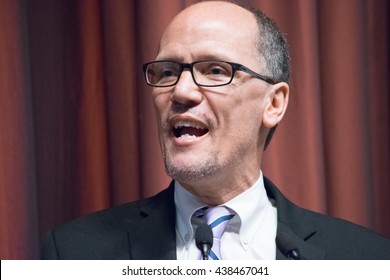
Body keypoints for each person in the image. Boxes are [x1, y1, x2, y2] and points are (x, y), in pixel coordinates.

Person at [42, 0, 390, 260]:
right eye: (167, 71)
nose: (181, 91)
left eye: (215, 70)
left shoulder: (365, 257)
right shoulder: (74, 252)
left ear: (274, 103)